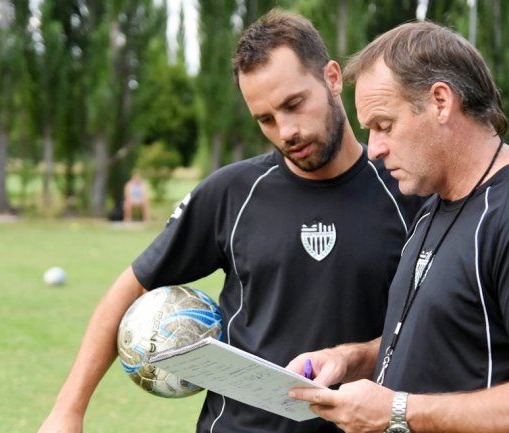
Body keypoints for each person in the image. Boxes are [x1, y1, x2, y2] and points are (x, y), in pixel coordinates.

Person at [38, 10, 425, 433]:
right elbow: (131, 287)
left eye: (295, 104)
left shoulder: (409, 190)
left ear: (333, 78)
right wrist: (68, 410)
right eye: (266, 119)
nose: (286, 131)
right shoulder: (232, 193)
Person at [287, 21, 509, 433]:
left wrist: (398, 410)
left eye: (384, 124)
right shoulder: (433, 207)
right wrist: (352, 358)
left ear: (440, 101)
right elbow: (446, 335)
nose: (375, 148)